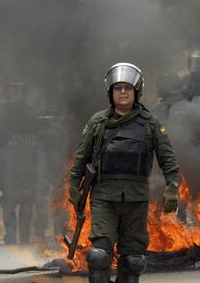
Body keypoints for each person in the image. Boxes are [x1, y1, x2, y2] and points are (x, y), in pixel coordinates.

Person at [68, 63, 179, 283]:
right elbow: (82, 156)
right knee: (99, 255)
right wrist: (73, 184)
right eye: (117, 88)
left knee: (133, 260)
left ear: (136, 91)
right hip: (103, 197)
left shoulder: (151, 124)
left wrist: (172, 187)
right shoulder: (98, 122)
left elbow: (168, 158)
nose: (122, 92)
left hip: (136, 199)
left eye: (127, 88)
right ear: (110, 92)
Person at [0, 82, 39, 244]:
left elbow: (38, 139)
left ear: (24, 93)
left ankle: (23, 236)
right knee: (8, 202)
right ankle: (11, 234)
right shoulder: (3, 114)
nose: (16, 94)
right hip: (8, 164)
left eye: (19, 90)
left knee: (27, 202)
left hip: (27, 164)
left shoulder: (32, 114)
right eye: (12, 90)